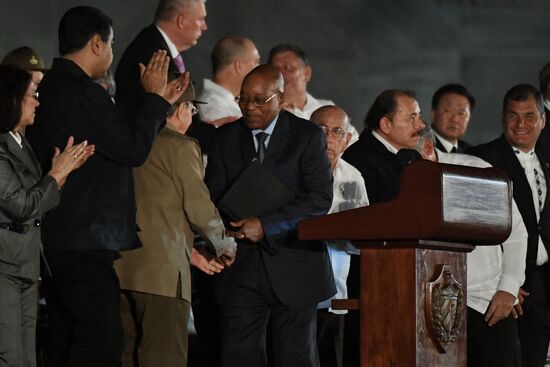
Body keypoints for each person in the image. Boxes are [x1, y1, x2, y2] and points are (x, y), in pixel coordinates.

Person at [25, 6, 185, 366]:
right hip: (84, 237)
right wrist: (155, 99)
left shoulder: (48, 86)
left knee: (67, 338)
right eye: (111, 44)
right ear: (97, 43)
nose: (112, 54)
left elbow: (117, 141)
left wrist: (157, 107)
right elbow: (131, 150)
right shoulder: (84, 92)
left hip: (57, 234)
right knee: (101, 343)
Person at [205, 64, 335, 367]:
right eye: (243, 99)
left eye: (259, 100)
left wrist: (267, 225)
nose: (249, 108)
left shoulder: (307, 136)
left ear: (279, 96)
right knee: (239, 356)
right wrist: (224, 231)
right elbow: (211, 196)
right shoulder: (225, 138)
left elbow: (319, 199)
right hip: (242, 268)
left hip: (296, 265)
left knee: (294, 357)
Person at [115, 78, 236, 367]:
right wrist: (225, 244)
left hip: (120, 269)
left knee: (125, 358)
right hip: (162, 276)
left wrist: (191, 253)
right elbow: (198, 206)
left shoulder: (126, 141)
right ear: (183, 109)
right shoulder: (180, 146)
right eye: (192, 112)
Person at [0, 64, 93, 367]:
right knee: (10, 355)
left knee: (27, 357)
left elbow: (38, 202)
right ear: (11, 99)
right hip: (5, 268)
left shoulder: (21, 143)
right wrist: (56, 174)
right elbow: (22, 205)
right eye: (31, 95)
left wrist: (59, 176)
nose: (37, 101)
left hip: (25, 266)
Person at [415, 126, 527, 367]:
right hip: (428, 308)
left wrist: (509, 287)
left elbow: (516, 232)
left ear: (427, 148)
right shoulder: (404, 181)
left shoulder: (475, 170)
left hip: (487, 302)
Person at [467, 84, 550, 367]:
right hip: (506, 290)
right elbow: (476, 229)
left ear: (543, 119)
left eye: (529, 116)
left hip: (542, 284)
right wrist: (507, 282)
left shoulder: (546, 162)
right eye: (513, 116)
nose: (521, 124)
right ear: (503, 118)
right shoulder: (480, 160)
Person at [340, 89, 424, 365]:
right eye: (412, 117)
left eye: (419, 117)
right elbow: (371, 218)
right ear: (385, 125)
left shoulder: (409, 158)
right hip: (373, 279)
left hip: (408, 275)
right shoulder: (361, 158)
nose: (421, 126)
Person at [115, 0, 217, 153]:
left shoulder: (153, 45)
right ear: (181, 20)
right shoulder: (154, 56)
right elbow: (173, 123)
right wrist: (220, 134)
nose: (205, 26)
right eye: (201, 19)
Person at [310, 105, 369, 367]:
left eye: (337, 132)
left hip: (335, 292)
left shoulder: (353, 177)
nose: (329, 138)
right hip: (295, 291)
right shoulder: (293, 171)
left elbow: (364, 237)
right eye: (321, 130)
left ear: (347, 139)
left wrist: (340, 235)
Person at [197, 36, 260, 126]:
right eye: (256, 62)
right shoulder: (214, 109)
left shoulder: (226, 103)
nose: (260, 68)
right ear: (239, 66)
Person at [430, 83, 476, 153]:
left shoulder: (471, 153)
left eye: (461, 113)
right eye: (448, 111)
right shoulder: (421, 148)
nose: (455, 119)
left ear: (469, 119)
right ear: (433, 114)